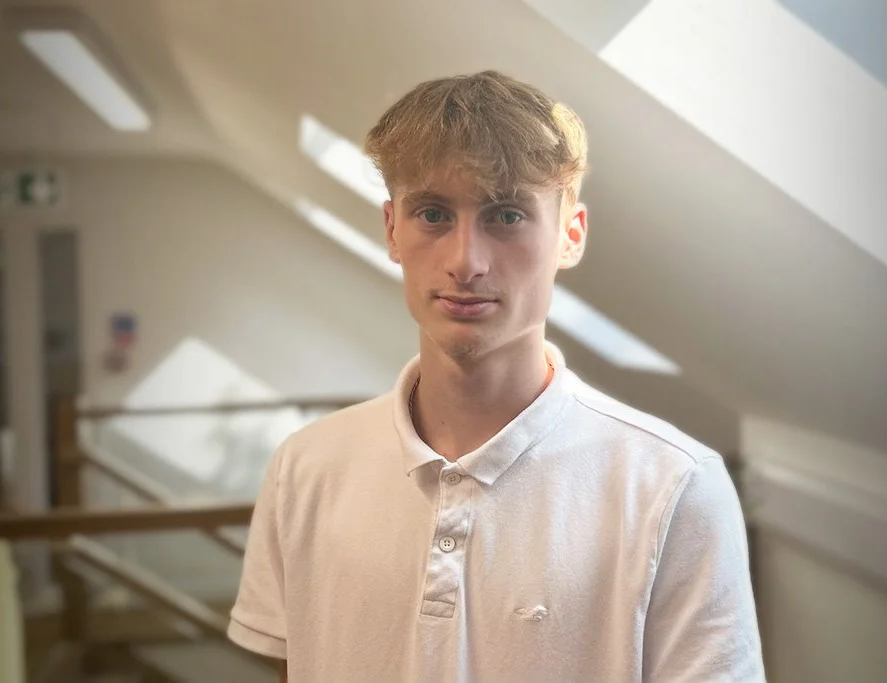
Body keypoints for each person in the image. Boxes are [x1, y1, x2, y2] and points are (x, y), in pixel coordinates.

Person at [227, 70, 765, 682]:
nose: (466, 262)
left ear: (570, 234)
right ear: (391, 230)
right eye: (432, 213)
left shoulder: (673, 486)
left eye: (506, 216)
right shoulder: (306, 467)